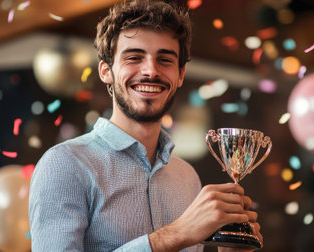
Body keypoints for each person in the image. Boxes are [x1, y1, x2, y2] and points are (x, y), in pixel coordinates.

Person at [28, 0, 263, 251]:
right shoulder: (65, 165)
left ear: (180, 74)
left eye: (165, 60)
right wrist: (176, 234)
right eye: (134, 57)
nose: (151, 71)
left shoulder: (188, 178)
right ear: (106, 71)